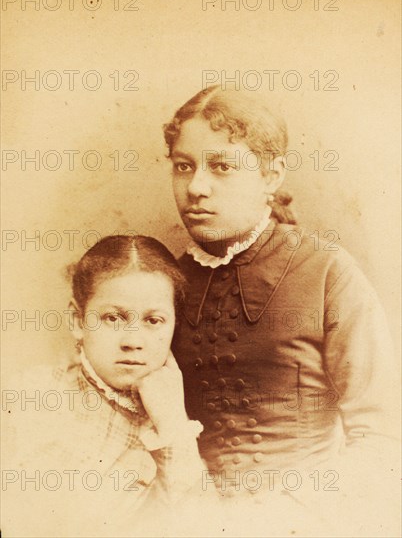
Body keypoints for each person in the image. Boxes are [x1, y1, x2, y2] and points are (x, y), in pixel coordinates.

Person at [164, 86, 399, 536]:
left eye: (222, 167)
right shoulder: (167, 282)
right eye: (183, 166)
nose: (196, 187)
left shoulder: (328, 271)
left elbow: (382, 437)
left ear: (271, 175)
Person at [2, 235, 208, 538]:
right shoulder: (34, 395)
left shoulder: (171, 416)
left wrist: (173, 426)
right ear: (77, 320)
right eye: (113, 318)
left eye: (154, 321)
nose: (133, 342)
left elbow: (207, 527)